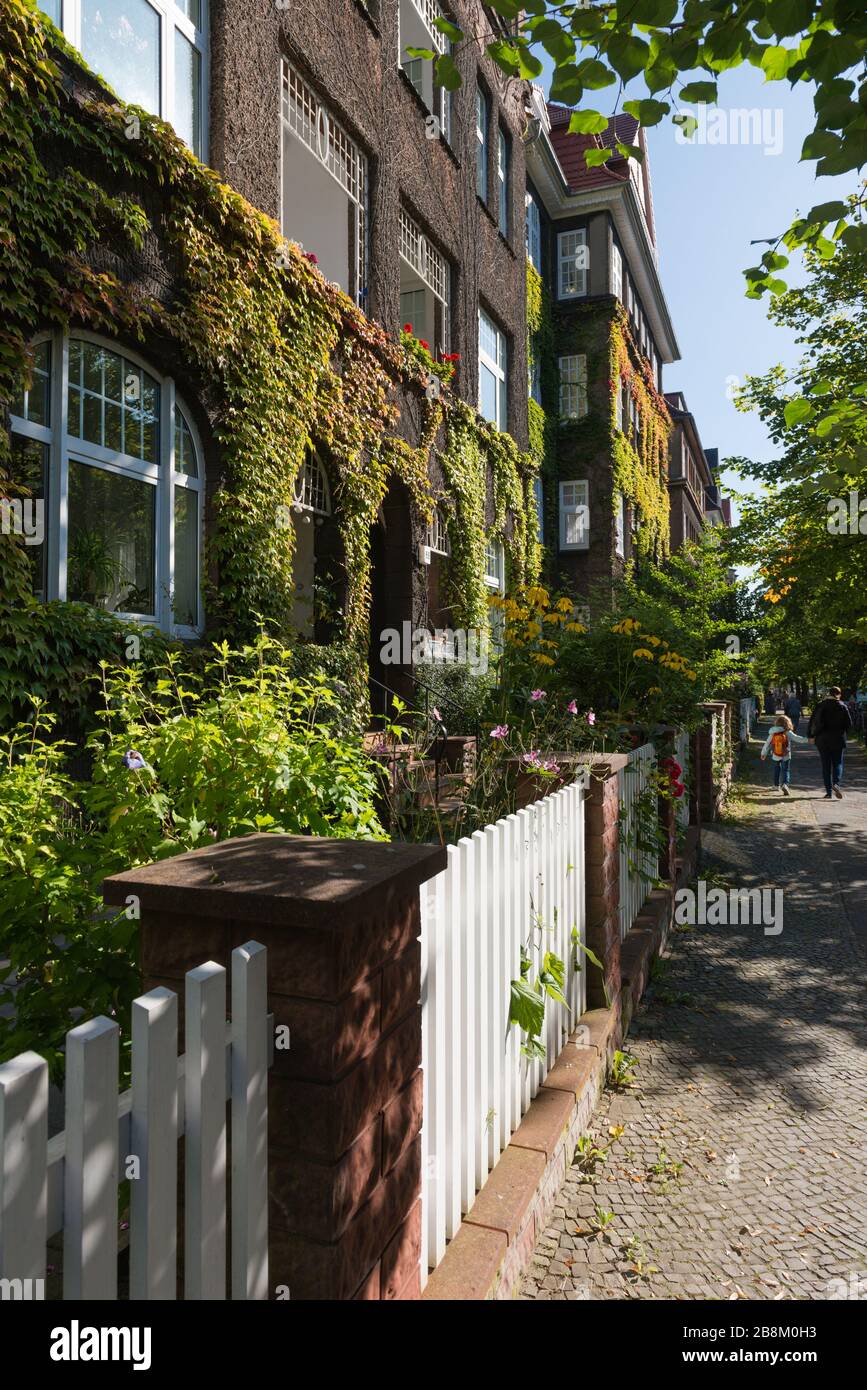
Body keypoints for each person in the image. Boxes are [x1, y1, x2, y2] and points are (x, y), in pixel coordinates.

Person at [808, 686, 852, 798]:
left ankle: (828, 792)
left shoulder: (821, 705)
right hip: (838, 738)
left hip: (822, 739)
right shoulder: (842, 706)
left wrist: (811, 735)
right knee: (837, 763)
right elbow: (849, 724)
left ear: (829, 693)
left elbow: (812, 720)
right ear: (839, 694)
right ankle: (836, 784)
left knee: (825, 765)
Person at [760, 714, 808, 796]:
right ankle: (785, 784)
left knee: (776, 769)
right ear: (788, 723)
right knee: (786, 770)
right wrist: (808, 740)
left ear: (777, 723)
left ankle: (776, 785)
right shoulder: (787, 732)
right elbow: (797, 738)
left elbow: (768, 743)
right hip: (786, 754)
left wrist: (763, 753)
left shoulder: (773, 732)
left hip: (776, 754)